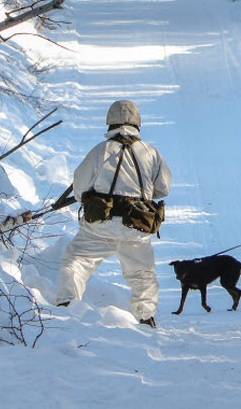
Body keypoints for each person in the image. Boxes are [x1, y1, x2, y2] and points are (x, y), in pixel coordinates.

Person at [55, 100, 171, 328]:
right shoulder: (150, 152)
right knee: (142, 274)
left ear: (110, 122)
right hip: (136, 225)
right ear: (138, 123)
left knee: (76, 262)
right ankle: (145, 317)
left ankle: (67, 305)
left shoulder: (100, 151)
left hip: (99, 224)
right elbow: (163, 188)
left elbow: (79, 188)